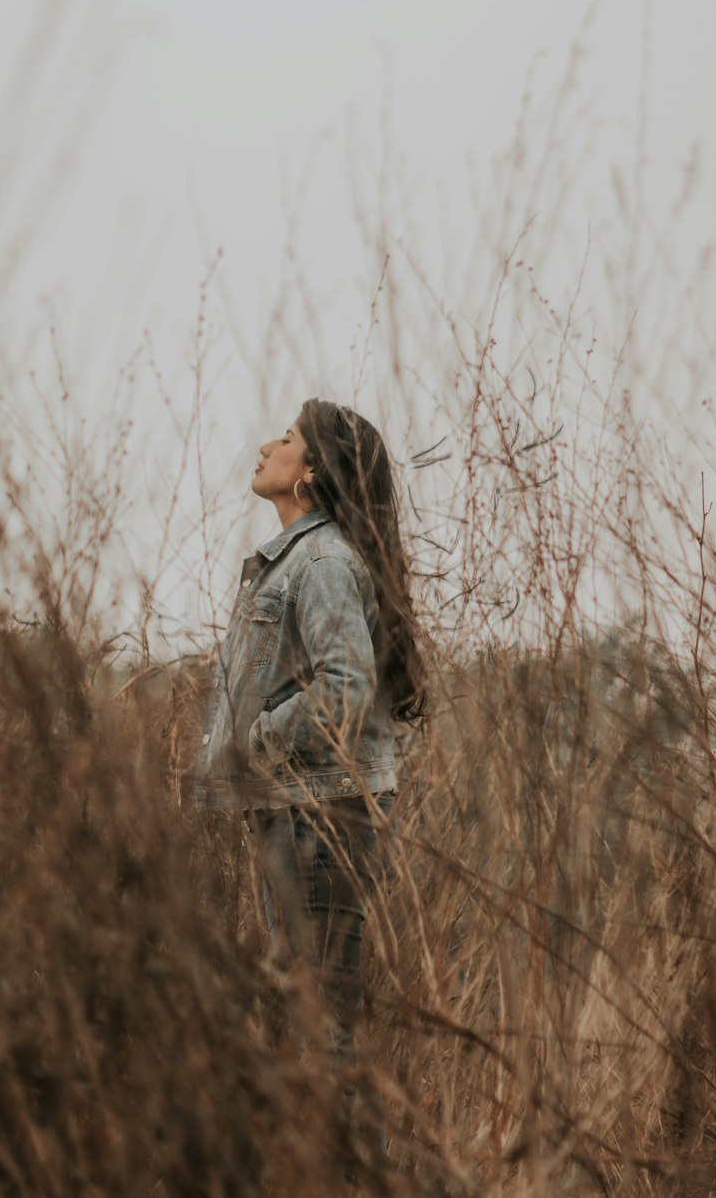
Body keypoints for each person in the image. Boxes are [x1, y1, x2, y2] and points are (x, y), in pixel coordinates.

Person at [194, 398, 425, 1159]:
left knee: (327, 1030)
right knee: (319, 1024)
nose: (266, 445)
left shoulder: (321, 562)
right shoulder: (297, 559)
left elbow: (346, 691)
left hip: (320, 816)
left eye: (286, 438)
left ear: (315, 468)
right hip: (300, 810)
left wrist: (254, 740)